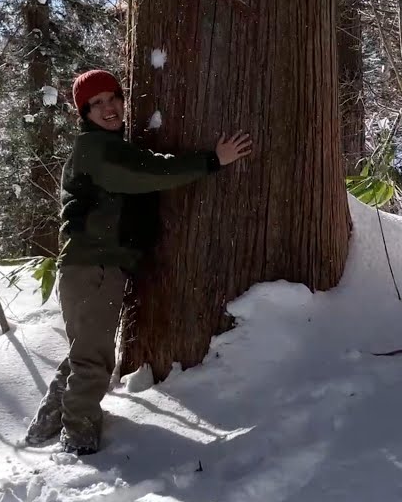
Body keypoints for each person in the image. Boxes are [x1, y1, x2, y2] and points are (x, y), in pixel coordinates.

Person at [23, 69, 253, 456]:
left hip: (94, 267)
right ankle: (77, 444)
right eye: (98, 104)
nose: (110, 108)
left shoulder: (111, 146)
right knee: (92, 359)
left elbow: (145, 163)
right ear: (84, 112)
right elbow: (147, 173)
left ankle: (45, 425)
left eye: (114, 98)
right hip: (92, 267)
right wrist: (211, 161)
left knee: (87, 350)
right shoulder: (94, 149)